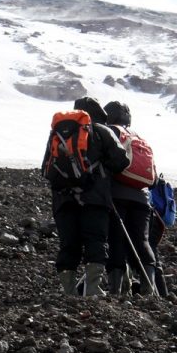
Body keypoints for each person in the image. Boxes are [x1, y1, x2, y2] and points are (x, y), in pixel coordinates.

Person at [45, 96, 128, 297]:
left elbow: (46, 169)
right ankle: (92, 289)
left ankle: (69, 291)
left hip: (63, 198)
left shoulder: (58, 133)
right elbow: (121, 161)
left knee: (68, 243)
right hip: (94, 198)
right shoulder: (102, 130)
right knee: (96, 240)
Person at [103, 100, 158, 296]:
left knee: (116, 239)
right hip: (142, 198)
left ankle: (116, 289)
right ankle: (148, 288)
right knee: (142, 241)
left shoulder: (110, 132)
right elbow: (153, 178)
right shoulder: (139, 137)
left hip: (118, 195)